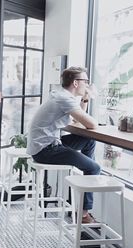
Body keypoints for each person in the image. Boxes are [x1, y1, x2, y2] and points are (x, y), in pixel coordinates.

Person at [26, 66, 101, 224]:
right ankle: (83, 214)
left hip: (48, 144)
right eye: (85, 81)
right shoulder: (64, 99)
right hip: (45, 150)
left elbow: (76, 120)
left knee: (89, 141)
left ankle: (85, 177)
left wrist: (86, 98)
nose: (87, 84)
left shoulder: (63, 96)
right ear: (75, 83)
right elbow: (91, 124)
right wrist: (90, 96)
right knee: (94, 168)